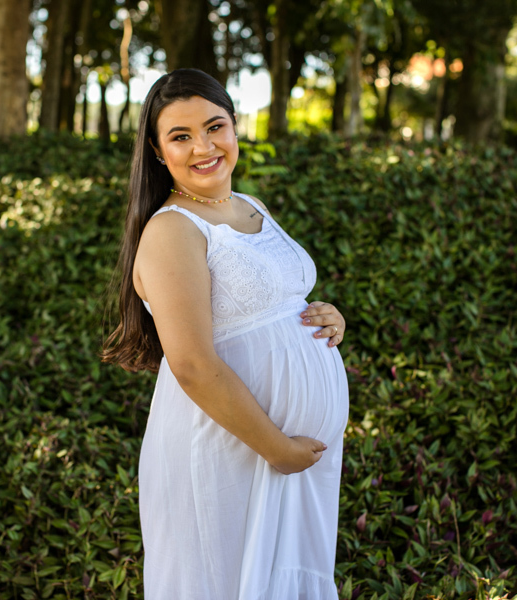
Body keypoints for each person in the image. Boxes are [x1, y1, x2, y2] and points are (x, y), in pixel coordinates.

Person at [101, 68, 349, 600]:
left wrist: (325, 317)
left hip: (287, 458)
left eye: (215, 127)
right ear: (157, 149)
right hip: (231, 449)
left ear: (236, 127)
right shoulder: (172, 229)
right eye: (181, 136)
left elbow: (276, 305)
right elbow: (191, 363)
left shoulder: (253, 206)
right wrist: (278, 448)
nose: (204, 147)